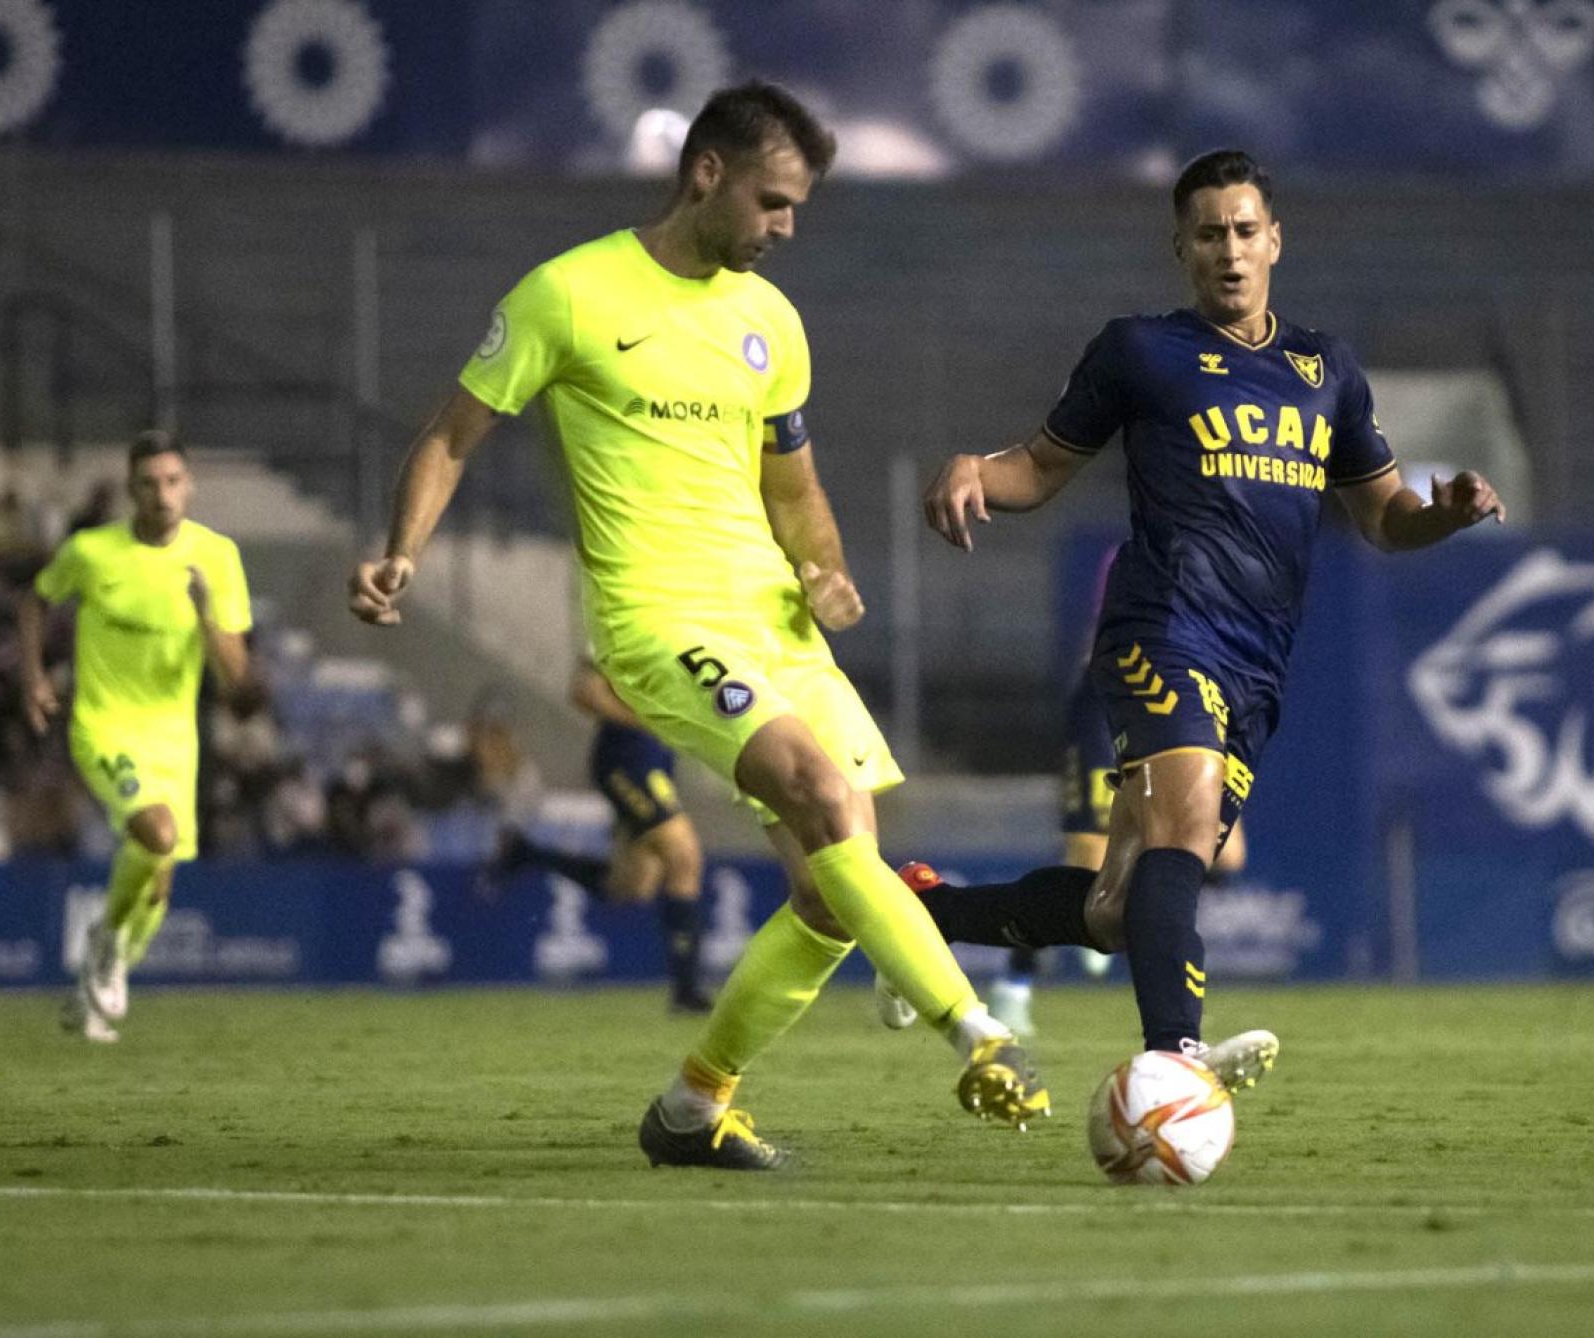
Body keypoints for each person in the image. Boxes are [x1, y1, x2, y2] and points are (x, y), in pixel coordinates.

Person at [348, 81, 1044, 1171]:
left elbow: (795, 488)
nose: (786, 229)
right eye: (773, 203)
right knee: (824, 798)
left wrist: (825, 572)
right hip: (659, 619)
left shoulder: (770, 324)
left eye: (798, 208)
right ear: (706, 173)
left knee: (827, 885)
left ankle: (693, 1104)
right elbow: (450, 436)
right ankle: (981, 1035)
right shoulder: (568, 296)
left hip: (773, 619)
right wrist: (401, 551)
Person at [917, 148, 1504, 1093]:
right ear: (1180, 250)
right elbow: (1038, 467)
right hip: (1162, 631)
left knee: (1116, 909)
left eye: (1243, 231)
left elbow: (1385, 516)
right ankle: (1174, 1064)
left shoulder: (1327, 371)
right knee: (1189, 834)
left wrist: (1446, 510)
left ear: (1275, 240)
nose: (1228, 251)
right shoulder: (1140, 352)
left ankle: (923, 913)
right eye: (1207, 235)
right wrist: (973, 469)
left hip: (1259, 665)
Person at [20, 430, 252, 1043]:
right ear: (131, 489)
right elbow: (36, 601)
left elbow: (239, 678)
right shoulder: (93, 552)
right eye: (149, 483)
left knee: (159, 885)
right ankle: (105, 946)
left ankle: (104, 970)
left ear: (190, 485)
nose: (163, 494)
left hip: (176, 740)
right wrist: (34, 677)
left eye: (173, 481)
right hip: (104, 725)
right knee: (157, 833)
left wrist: (204, 611)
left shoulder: (217, 557)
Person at [485, 660, 713, 1013]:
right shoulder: (618, 622)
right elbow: (585, 692)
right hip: (628, 759)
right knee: (684, 854)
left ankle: (528, 854)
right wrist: (645, 720)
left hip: (656, 759)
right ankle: (688, 991)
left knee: (631, 886)